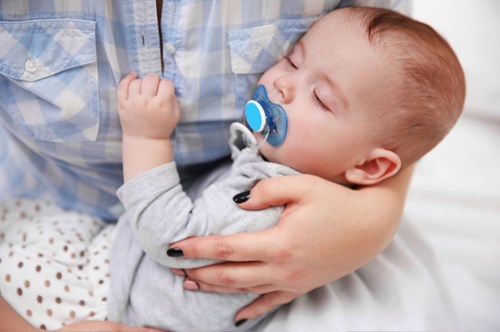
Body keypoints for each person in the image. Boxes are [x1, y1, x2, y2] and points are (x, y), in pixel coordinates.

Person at [0, 6, 465, 331]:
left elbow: (171, 239)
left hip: (109, 296)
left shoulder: (271, 203)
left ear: (369, 166)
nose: (283, 85)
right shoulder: (270, 161)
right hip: (101, 243)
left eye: (320, 98)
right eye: (293, 58)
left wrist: (147, 137)